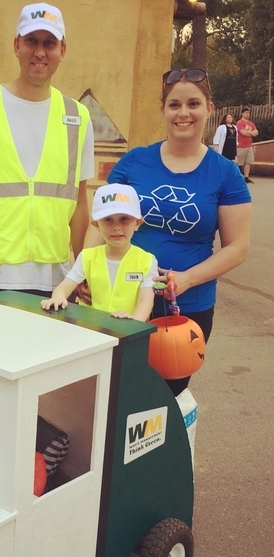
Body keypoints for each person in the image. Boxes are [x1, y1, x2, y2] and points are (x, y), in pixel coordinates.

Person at [0, 2, 95, 415]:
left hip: (53, 280)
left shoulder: (77, 117)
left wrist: (82, 269)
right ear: (16, 45)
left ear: (63, 49)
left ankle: (26, 475)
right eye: (31, 41)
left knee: (42, 394)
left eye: (49, 42)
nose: (39, 51)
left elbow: (80, 202)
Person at [81, 67, 251, 396]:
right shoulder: (134, 163)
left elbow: (237, 247)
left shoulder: (226, 174)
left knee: (162, 399)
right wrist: (87, 272)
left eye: (193, 103)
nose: (183, 113)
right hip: (120, 299)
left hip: (186, 309)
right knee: (111, 396)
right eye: (174, 105)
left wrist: (186, 279)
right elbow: (99, 221)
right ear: (163, 110)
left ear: (209, 108)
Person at [41, 183, 156, 320]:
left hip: (131, 333)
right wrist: (58, 298)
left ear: (137, 223)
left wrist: (134, 324)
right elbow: (63, 288)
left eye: (124, 219)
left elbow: (146, 300)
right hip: (92, 330)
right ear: (96, 225)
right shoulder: (87, 257)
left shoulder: (147, 261)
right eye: (108, 220)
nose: (116, 227)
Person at [236, 106, 258, 183]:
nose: (247, 114)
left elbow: (256, 133)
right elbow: (242, 132)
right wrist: (251, 133)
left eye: (248, 113)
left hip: (249, 145)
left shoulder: (251, 123)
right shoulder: (239, 123)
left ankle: (246, 177)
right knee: (240, 162)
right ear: (242, 113)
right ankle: (238, 177)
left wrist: (249, 133)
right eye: (246, 113)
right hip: (241, 145)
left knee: (248, 162)